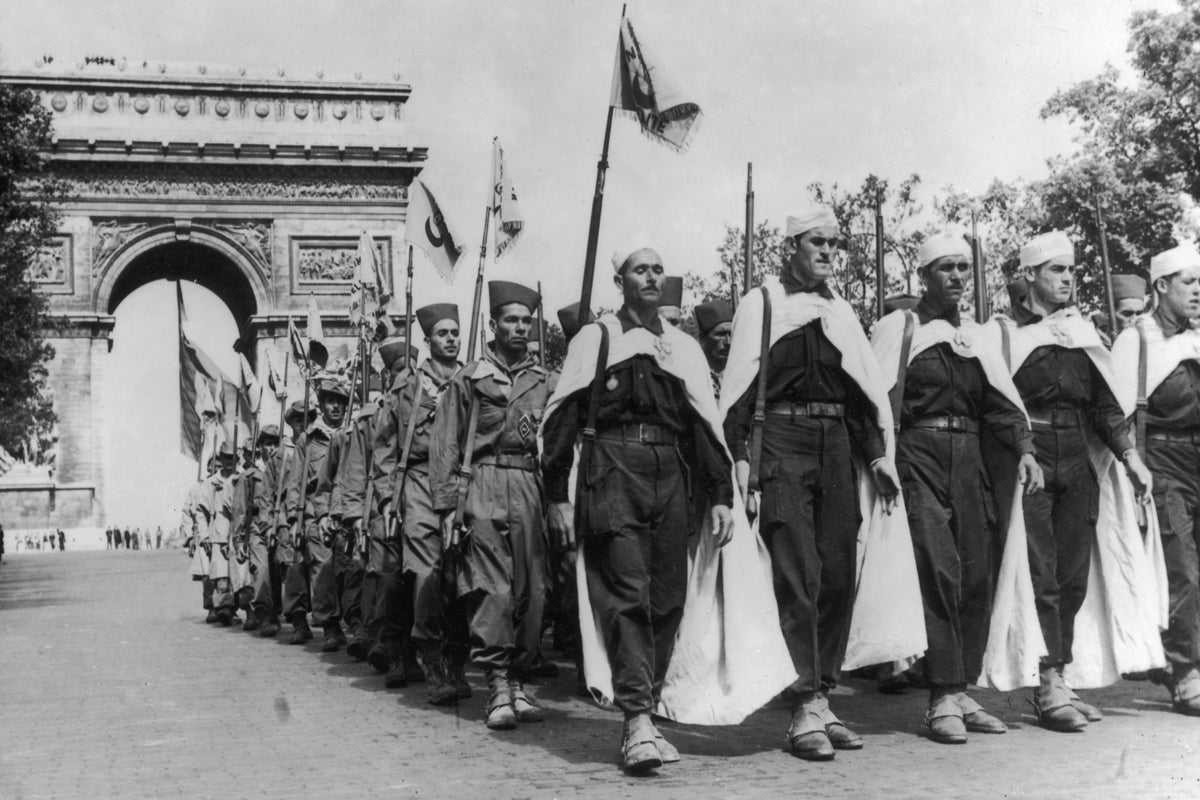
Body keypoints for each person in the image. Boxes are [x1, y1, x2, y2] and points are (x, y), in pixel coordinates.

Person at [719, 204, 911, 762]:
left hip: (836, 449)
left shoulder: (842, 312)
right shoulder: (764, 303)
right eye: (817, 243)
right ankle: (803, 703)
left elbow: (861, 396)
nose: (829, 252)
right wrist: (741, 458)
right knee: (797, 573)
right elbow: (737, 390)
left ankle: (823, 695)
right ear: (791, 248)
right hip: (780, 442)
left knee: (835, 574)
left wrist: (877, 457)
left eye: (835, 243)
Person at [542, 246, 739, 771]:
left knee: (668, 598)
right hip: (612, 472)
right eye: (639, 270)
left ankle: (646, 709)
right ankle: (635, 721)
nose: (650, 278)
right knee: (626, 593)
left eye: (657, 269)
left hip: (672, 476)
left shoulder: (682, 348)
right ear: (619, 280)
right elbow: (562, 421)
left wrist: (721, 496)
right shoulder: (598, 338)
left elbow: (703, 425)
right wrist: (557, 496)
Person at [872, 233, 1042, 744]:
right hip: (918, 457)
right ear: (923, 276)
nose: (956, 278)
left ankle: (961, 689)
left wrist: (1025, 449)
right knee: (938, 569)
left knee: (975, 572)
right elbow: (876, 400)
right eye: (945, 268)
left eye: (963, 269)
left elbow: (1000, 404)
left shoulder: (978, 338)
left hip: (969, 461)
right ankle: (941, 695)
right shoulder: (899, 329)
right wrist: (881, 456)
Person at [998, 230, 1153, 732]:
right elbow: (999, 405)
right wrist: (1023, 450)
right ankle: (1045, 685)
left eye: (1070, 270)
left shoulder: (1082, 334)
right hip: (1033, 455)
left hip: (1077, 458)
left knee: (1073, 574)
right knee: (1041, 571)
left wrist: (1130, 456)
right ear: (1030, 276)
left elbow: (1105, 407)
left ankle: (1060, 674)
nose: (1067, 279)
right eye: (1056, 270)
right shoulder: (1004, 334)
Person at [429, 281, 556, 731]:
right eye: (511, 320)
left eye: (526, 321)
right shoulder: (469, 379)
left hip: (528, 486)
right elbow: (444, 445)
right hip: (481, 484)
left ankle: (519, 678)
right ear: (493, 325)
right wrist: (447, 507)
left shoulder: (545, 382)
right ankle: (498, 684)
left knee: (533, 591)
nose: (519, 328)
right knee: (491, 588)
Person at [1112, 243, 1200, 716]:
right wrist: (1133, 468)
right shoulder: (1137, 341)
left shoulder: (1196, 339)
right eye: (1189, 282)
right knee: (1181, 567)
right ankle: (1185, 672)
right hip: (1161, 464)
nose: (1198, 292)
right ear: (1161, 286)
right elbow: (1117, 415)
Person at [376, 306, 470, 699]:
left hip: (464, 486)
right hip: (418, 484)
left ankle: (457, 660)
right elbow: (386, 445)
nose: (451, 339)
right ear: (428, 341)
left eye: (455, 332)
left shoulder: (472, 381)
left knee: (463, 577)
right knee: (427, 573)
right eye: (442, 334)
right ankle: (431, 660)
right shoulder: (406, 387)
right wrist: (386, 497)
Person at [284, 378, 352, 650]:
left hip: (348, 509)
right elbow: (296, 483)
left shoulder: (352, 432)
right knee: (323, 571)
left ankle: (357, 621)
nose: (336, 406)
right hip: (316, 512)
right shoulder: (307, 441)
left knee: (351, 571)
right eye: (330, 401)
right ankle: (331, 626)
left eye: (340, 402)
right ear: (322, 405)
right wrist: (293, 521)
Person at [238, 426, 281, 633]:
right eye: (267, 444)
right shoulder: (249, 476)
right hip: (257, 528)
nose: (271, 448)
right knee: (261, 571)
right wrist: (239, 540)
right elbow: (240, 510)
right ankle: (264, 615)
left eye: (275, 443)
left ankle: (278, 613)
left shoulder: (285, 469)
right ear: (259, 447)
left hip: (280, 525)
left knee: (280, 572)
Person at [693, 299, 733, 395]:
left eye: (731, 334)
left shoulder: (740, 374)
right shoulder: (693, 375)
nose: (728, 342)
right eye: (720, 334)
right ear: (703, 339)